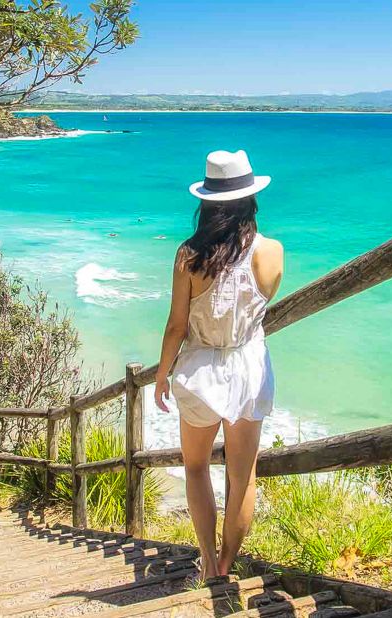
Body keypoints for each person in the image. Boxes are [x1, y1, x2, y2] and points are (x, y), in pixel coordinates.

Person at [154, 149, 284, 579]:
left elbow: (176, 326)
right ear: (251, 200)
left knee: (195, 468)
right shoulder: (272, 252)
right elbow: (260, 305)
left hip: (199, 370)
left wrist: (160, 376)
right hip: (249, 367)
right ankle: (228, 564)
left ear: (207, 203)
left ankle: (208, 562)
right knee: (242, 476)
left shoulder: (189, 255)